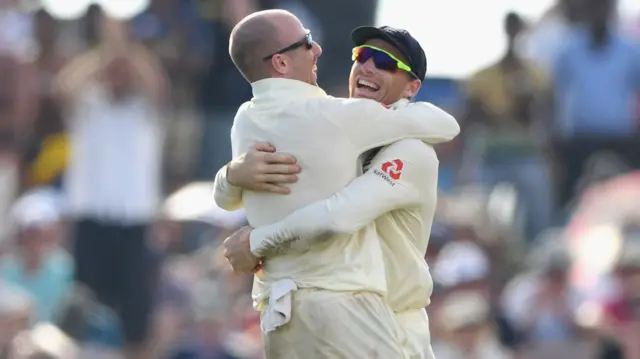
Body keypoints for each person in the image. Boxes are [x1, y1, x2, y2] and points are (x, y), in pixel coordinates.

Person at [217, 11, 458, 358]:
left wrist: (256, 242)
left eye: (385, 62)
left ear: (412, 87)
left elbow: (337, 216)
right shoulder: (335, 126)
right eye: (361, 56)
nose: (368, 67)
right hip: (336, 312)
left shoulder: (409, 150)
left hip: (392, 325)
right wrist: (232, 175)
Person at [54, 15, 167, 359]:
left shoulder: (146, 111)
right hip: (90, 223)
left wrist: (125, 47)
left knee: (136, 317)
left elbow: (157, 85)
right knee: (80, 313)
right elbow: (63, 86)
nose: (118, 73)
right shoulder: (88, 106)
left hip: (133, 226)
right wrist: (107, 50)